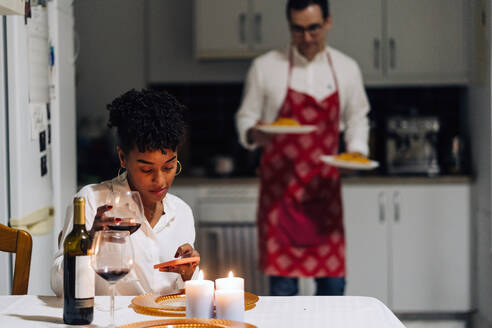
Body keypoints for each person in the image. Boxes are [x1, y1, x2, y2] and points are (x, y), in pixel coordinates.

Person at [235, 0, 369, 296]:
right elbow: (245, 117)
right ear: (289, 26)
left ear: (328, 23)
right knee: (283, 293)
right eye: (298, 30)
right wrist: (255, 133)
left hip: (324, 196)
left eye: (313, 29)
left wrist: (356, 151)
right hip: (279, 198)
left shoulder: (346, 69)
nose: (306, 38)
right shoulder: (265, 67)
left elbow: (357, 118)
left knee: (333, 288)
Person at [51, 89, 199, 296]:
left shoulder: (181, 212)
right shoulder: (92, 200)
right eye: (146, 169)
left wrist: (188, 275)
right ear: (122, 157)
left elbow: (181, 296)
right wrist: (90, 242)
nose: (160, 180)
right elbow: (60, 286)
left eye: (168, 167)